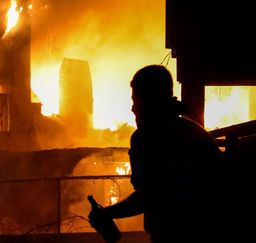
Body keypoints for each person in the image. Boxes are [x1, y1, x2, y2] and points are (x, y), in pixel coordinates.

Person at [88, 65, 226, 242]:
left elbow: (150, 195)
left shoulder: (148, 137)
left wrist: (106, 213)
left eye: (136, 100)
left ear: (148, 101)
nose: (133, 108)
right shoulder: (194, 131)